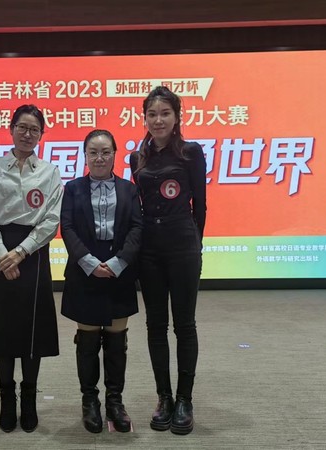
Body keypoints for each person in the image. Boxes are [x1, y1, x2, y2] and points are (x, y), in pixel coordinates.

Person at [0, 104, 63, 433]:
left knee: (31, 330)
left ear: (41, 135)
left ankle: (29, 397)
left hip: (32, 252)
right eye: (22, 127)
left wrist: (20, 252)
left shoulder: (50, 172)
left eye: (34, 129)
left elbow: (51, 219)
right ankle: (7, 396)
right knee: (1, 327)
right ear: (11, 129)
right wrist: (1, 253)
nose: (27, 134)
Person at [129, 86, 207, 435]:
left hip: (182, 247)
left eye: (165, 113)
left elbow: (200, 205)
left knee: (184, 325)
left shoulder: (191, 152)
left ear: (176, 117)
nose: (158, 120)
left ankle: (185, 399)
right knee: (155, 325)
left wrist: (195, 243)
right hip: (150, 251)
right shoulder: (137, 158)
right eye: (152, 114)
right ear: (144, 118)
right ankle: (164, 397)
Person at [60, 129, 143, 433]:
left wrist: (119, 262)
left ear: (114, 155)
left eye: (105, 152)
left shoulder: (129, 189)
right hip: (85, 272)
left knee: (117, 341)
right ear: (85, 156)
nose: (99, 158)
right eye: (93, 152)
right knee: (88, 339)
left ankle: (115, 402)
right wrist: (90, 263)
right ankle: (90, 401)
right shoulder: (72, 189)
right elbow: (67, 227)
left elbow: (137, 228)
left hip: (119, 271)